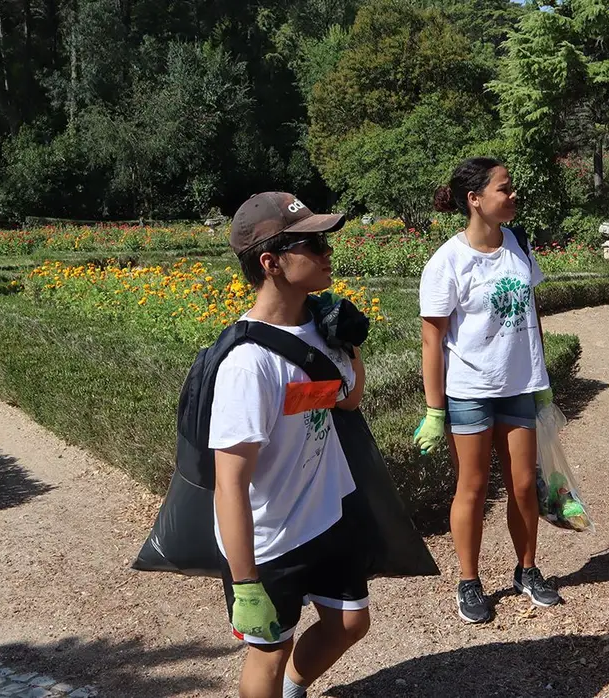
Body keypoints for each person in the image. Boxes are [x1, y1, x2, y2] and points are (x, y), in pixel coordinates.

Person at [212, 192, 370, 698]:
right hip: (269, 539)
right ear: (271, 262)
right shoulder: (247, 365)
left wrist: (348, 344)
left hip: (325, 515)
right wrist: (244, 583)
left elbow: (346, 400)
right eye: (312, 243)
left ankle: (295, 689)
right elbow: (229, 483)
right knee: (269, 652)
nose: (327, 253)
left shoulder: (317, 326)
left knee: (349, 624)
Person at [412, 157, 561, 625]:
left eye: (512, 188)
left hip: (517, 386)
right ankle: (469, 580)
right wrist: (436, 408)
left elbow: (532, 314)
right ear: (475, 199)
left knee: (522, 487)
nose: (513, 195)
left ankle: (528, 570)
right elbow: (432, 339)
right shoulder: (447, 262)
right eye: (505, 189)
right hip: (470, 390)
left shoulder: (517, 244)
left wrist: (541, 380)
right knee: (472, 489)